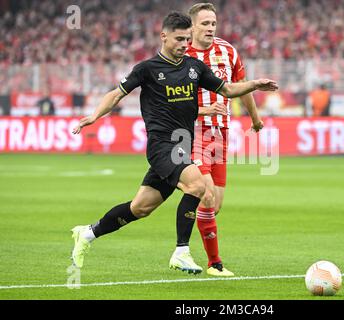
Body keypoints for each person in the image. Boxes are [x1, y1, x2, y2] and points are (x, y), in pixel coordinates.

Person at [70, 12, 278, 274]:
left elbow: (227, 89)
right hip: (162, 146)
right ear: (164, 36)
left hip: (182, 146)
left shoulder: (194, 68)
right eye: (179, 39)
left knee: (140, 208)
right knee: (198, 185)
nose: (183, 43)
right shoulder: (147, 69)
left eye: (187, 39)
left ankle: (87, 233)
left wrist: (254, 85)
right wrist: (93, 116)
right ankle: (181, 252)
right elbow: (116, 95)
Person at [185, 3, 264, 277]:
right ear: (192, 26)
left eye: (213, 24)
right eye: (205, 23)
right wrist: (205, 109)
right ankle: (214, 264)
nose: (210, 28)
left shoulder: (228, 51)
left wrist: (255, 119)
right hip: (191, 132)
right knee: (205, 195)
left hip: (220, 134)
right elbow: (174, 100)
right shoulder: (181, 55)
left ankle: (185, 205)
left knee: (214, 204)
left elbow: (241, 88)